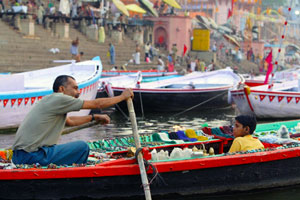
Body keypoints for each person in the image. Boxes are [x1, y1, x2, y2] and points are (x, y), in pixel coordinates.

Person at [12, 75, 134, 166]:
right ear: (62, 89)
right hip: (32, 156)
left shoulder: (51, 100)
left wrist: (93, 117)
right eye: (75, 88)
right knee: (82, 147)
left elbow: (70, 122)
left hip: (19, 156)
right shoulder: (59, 98)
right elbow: (97, 104)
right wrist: (122, 97)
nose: (78, 92)